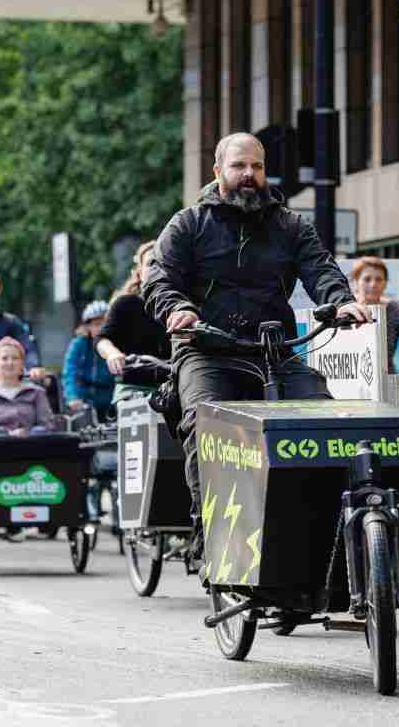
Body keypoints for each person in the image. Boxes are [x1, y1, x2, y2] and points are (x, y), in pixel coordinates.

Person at [144, 132, 370, 556]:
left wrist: (341, 302)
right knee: (203, 422)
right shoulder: (188, 224)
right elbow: (159, 279)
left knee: (324, 417)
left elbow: (321, 269)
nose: (249, 175)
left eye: (257, 167)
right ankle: (209, 531)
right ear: (218, 171)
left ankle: (331, 533)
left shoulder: (290, 224)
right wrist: (177, 309)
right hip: (207, 350)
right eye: (239, 166)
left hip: (273, 351)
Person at [96, 240, 171, 402]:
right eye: (151, 264)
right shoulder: (126, 304)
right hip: (135, 391)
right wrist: (113, 354)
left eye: (162, 263)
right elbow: (102, 340)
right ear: (139, 273)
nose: (157, 269)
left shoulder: (182, 306)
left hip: (173, 388)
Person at [0, 337, 55, 436]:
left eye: (15, 358)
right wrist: (6, 436)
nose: (10, 363)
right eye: (4, 358)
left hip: (31, 447)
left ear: (22, 364)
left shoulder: (36, 393)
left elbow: (47, 426)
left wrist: (28, 434)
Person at [62, 300, 115, 419]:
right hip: (85, 401)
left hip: (112, 401)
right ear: (88, 327)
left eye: (105, 323)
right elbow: (70, 373)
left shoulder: (118, 345)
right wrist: (72, 397)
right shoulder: (79, 344)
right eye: (96, 324)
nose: (101, 328)